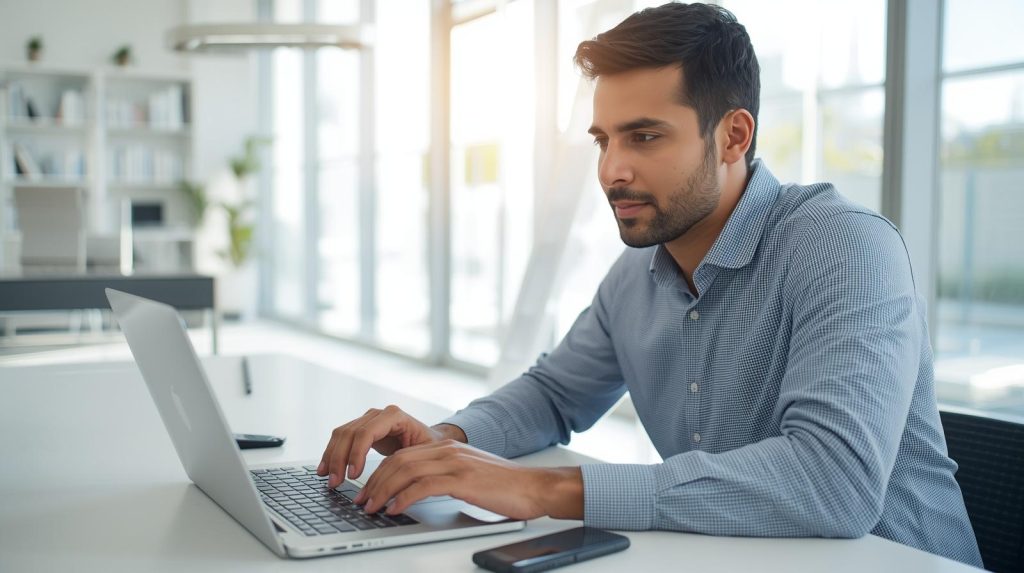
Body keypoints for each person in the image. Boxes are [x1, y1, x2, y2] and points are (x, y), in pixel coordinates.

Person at [317, 2, 982, 567]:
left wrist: (541, 488)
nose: (612, 170)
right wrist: (446, 441)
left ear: (733, 135)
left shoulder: (845, 247)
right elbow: (552, 395)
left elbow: (831, 481)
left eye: (644, 137)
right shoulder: (638, 272)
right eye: (604, 139)